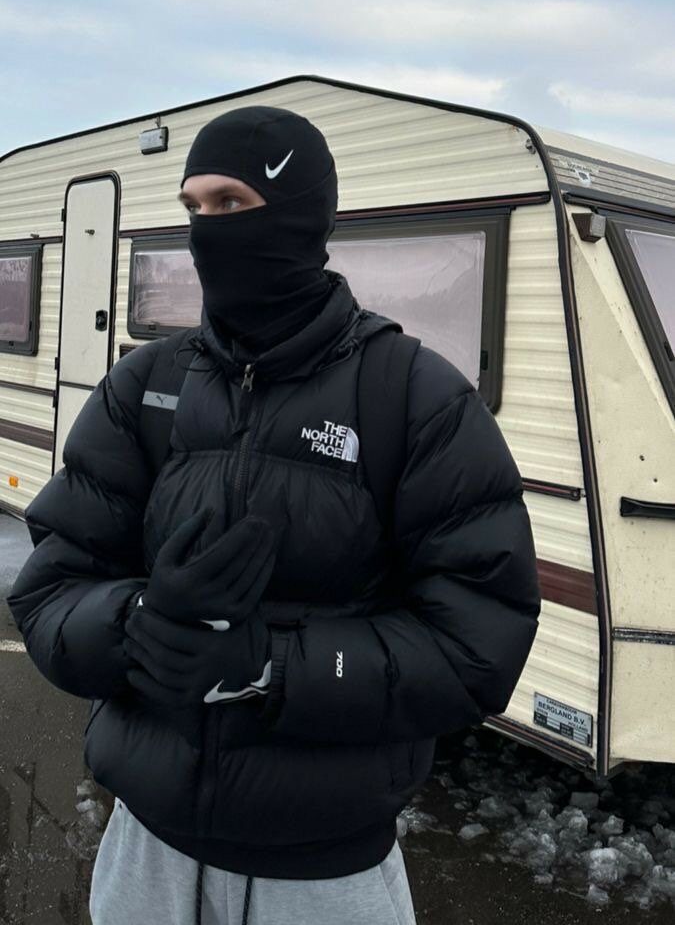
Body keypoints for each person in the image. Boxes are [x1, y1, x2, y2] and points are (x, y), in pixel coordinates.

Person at [9, 105, 541, 925]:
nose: (206, 230)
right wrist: (135, 622)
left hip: (324, 873)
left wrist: (271, 667)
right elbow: (49, 590)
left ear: (302, 214)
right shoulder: (145, 385)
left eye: (230, 202)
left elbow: (478, 641)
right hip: (146, 849)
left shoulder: (414, 396)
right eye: (193, 207)